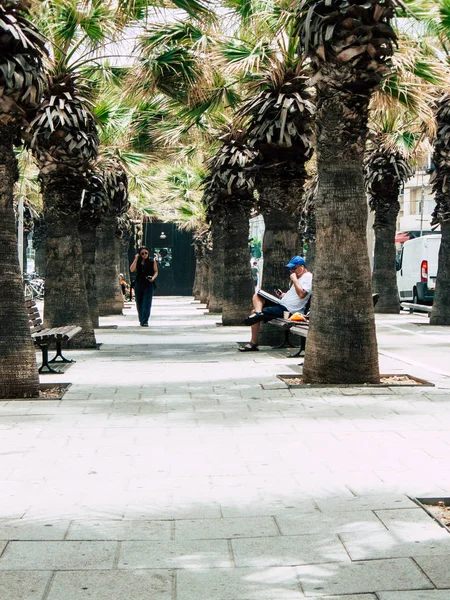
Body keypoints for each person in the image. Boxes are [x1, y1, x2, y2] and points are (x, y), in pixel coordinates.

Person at [238, 256, 312, 352]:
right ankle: (259, 313)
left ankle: (253, 343)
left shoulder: (308, 277)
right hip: (282, 304)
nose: (292, 272)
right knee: (257, 296)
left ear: (302, 267)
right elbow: (295, 295)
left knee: (253, 313)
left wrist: (294, 280)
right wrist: (283, 295)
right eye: (290, 270)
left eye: (294, 269)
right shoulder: (299, 278)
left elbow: (302, 294)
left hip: (288, 310)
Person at [130, 247, 159, 327]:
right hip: (139, 283)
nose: (144, 255)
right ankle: (141, 319)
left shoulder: (152, 261)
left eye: (146, 253)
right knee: (139, 302)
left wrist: (152, 278)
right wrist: (136, 259)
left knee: (147, 302)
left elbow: (156, 271)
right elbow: (132, 269)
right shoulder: (138, 262)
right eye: (142, 253)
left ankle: (145, 320)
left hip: (148, 284)